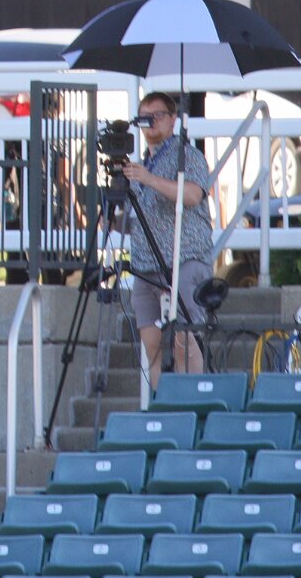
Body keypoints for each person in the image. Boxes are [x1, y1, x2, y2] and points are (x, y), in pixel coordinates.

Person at [116, 91, 217, 386]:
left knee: (185, 340)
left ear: (173, 119)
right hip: (145, 267)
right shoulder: (140, 165)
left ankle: (193, 402)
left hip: (184, 259)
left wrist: (148, 179)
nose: (150, 122)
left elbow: (192, 195)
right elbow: (134, 220)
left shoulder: (188, 156)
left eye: (157, 115)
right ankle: (161, 406)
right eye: (144, 117)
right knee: (152, 347)